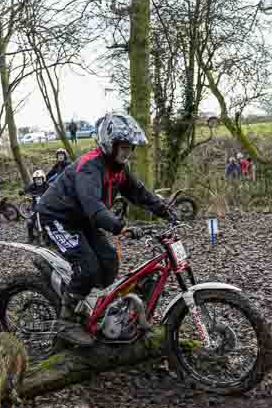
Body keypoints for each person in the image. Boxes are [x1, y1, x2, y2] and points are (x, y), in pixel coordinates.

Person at [36, 113, 177, 346]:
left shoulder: (119, 168)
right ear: (108, 144)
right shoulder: (90, 167)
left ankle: (94, 309)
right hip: (57, 217)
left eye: (130, 148)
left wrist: (165, 210)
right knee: (88, 266)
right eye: (122, 147)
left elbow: (138, 192)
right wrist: (119, 227)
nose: (126, 153)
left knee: (109, 260)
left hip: (82, 219)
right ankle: (66, 321)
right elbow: (93, 206)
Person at [21, 170, 49, 243]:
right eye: (36, 179)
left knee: (48, 222)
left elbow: (53, 192)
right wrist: (22, 192)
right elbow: (26, 189)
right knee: (29, 222)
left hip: (45, 208)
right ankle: (31, 237)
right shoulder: (33, 186)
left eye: (39, 179)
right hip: (35, 208)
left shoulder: (47, 186)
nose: (38, 181)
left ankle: (48, 238)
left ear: (43, 179)